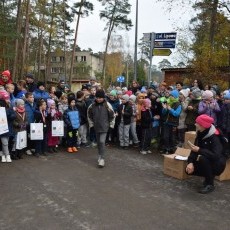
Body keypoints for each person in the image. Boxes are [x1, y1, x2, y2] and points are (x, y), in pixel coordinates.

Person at [186, 114, 227, 194]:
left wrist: (200, 150)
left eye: (197, 123)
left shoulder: (215, 137)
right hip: (209, 159)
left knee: (202, 158)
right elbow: (194, 149)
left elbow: (216, 155)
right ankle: (209, 176)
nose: (195, 124)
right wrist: (190, 162)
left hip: (219, 164)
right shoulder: (200, 133)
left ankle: (210, 184)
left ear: (203, 125)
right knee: (188, 170)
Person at [87, 89, 115, 167]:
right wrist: (91, 125)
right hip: (96, 127)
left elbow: (112, 116)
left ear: (103, 97)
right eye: (97, 97)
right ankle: (100, 154)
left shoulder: (107, 105)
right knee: (99, 142)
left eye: (100, 98)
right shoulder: (92, 106)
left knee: (102, 141)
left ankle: (102, 159)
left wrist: (111, 125)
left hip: (105, 127)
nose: (99, 99)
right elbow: (89, 115)